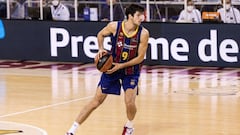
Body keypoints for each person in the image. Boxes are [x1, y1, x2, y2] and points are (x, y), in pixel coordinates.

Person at [65, 4, 149, 135]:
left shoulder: (143, 33)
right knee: (96, 101)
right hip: (111, 68)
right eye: (138, 15)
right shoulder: (114, 26)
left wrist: (121, 66)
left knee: (129, 102)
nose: (142, 18)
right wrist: (100, 48)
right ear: (130, 16)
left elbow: (140, 58)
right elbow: (100, 34)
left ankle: (129, 125)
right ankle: (72, 129)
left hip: (130, 70)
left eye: (142, 15)